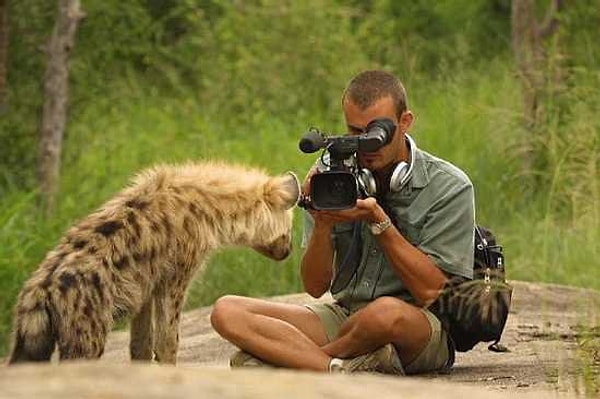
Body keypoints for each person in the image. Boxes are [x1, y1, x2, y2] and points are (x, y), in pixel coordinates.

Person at [210, 70, 475, 375]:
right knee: (227, 311)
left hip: (413, 325)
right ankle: (339, 369)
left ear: (405, 122)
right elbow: (314, 286)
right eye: (355, 132)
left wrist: (380, 223)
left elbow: (435, 293)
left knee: (384, 314)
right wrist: (321, 222)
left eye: (376, 133)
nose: (365, 146)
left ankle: (303, 363)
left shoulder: (450, 186)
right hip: (345, 316)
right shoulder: (333, 175)